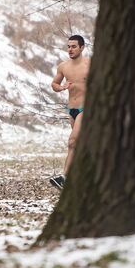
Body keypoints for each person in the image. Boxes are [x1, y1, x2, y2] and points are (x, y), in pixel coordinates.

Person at [49, 34, 90, 190]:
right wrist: (61, 87)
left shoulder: (90, 64)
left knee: (72, 141)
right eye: (68, 47)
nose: (70, 50)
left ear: (82, 47)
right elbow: (54, 83)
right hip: (71, 109)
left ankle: (64, 178)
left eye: (74, 46)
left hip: (87, 108)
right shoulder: (63, 66)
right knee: (78, 144)